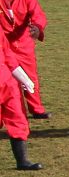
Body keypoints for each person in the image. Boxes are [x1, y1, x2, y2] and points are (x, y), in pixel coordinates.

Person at [0, 0, 48, 121]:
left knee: (30, 77)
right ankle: (11, 113)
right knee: (7, 82)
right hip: (3, 47)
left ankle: (36, 109)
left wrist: (37, 27)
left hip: (23, 44)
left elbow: (38, 15)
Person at [0, 27, 41, 169]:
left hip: (8, 84)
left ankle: (22, 161)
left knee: (18, 118)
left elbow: (7, 54)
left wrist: (24, 78)